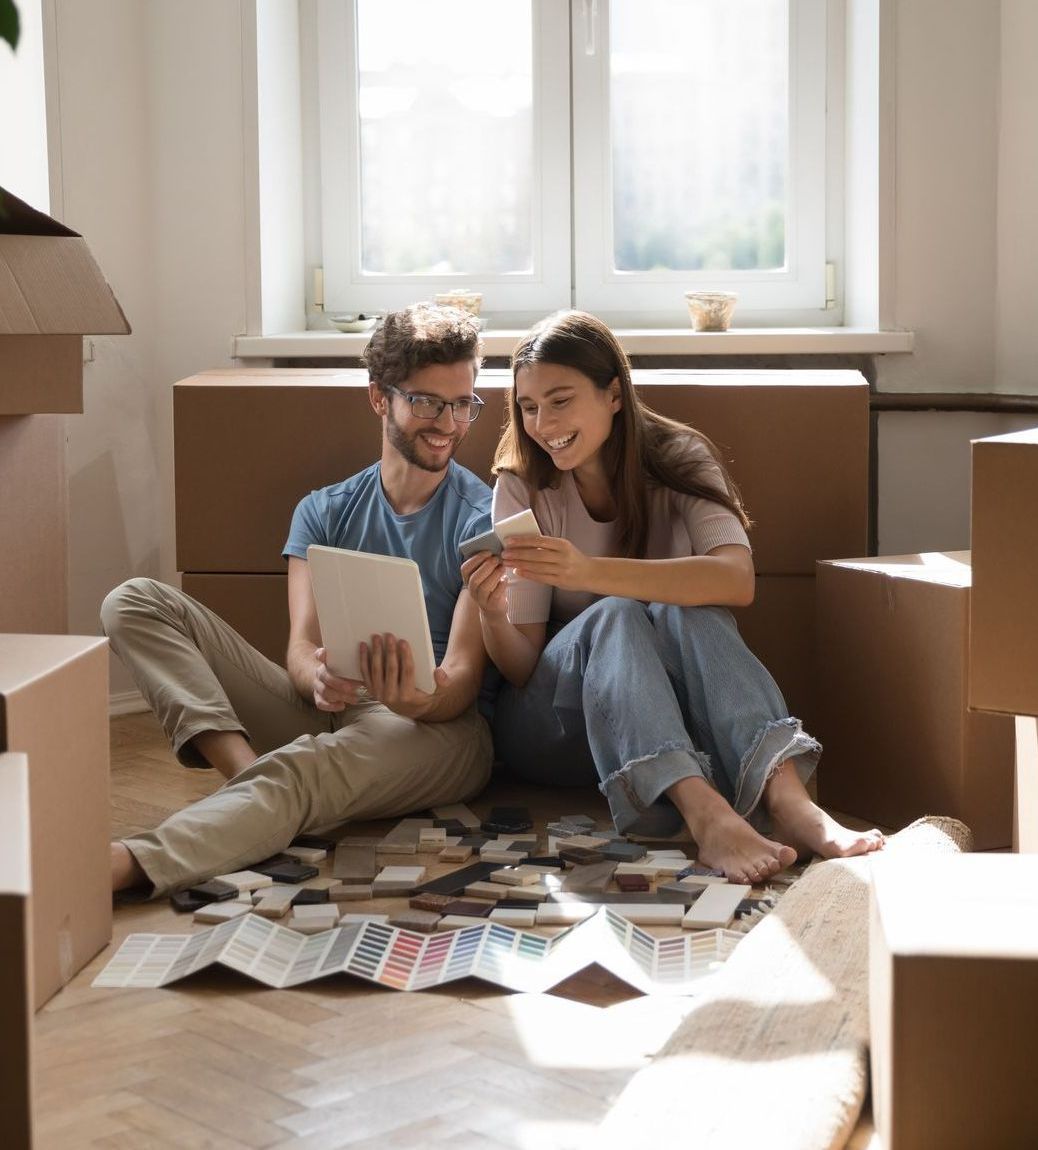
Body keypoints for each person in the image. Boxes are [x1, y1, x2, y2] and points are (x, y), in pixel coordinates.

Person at [462, 310, 884, 884]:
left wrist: (591, 569)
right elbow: (521, 668)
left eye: (560, 401)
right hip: (555, 728)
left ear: (614, 394)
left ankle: (788, 800)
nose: (542, 423)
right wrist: (491, 612)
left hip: (667, 718)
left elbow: (737, 580)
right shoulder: (522, 485)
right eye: (528, 407)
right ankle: (705, 813)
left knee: (687, 610)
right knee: (616, 615)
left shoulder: (679, 456)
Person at [105, 303, 494, 895]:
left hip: (438, 732)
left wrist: (416, 699)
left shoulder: (480, 518)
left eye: (462, 403)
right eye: (425, 401)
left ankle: (124, 865)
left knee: (306, 768)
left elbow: (463, 681)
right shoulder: (323, 510)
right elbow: (300, 646)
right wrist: (313, 675)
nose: (447, 422)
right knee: (134, 600)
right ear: (378, 397)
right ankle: (246, 777)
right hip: (329, 708)